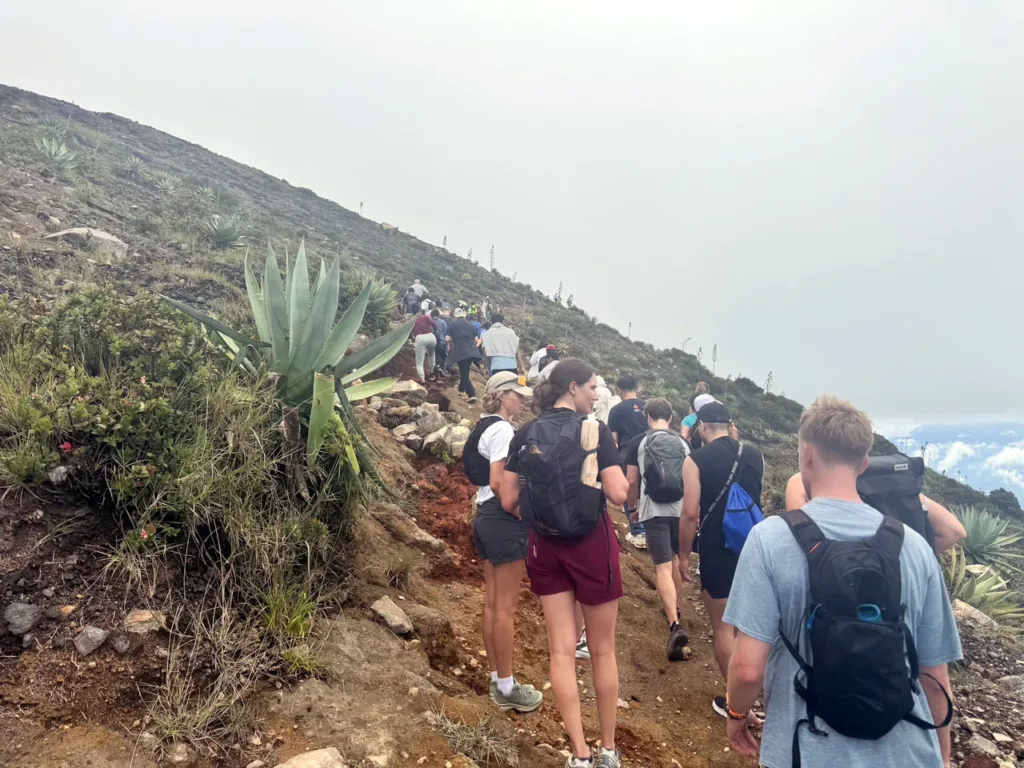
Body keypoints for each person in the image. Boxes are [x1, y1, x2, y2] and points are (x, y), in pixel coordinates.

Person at [722, 396, 960, 767]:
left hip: (807, 749)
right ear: (863, 464)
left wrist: (736, 715)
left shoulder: (769, 540)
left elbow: (749, 667)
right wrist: (942, 757)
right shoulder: (914, 547)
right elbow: (935, 675)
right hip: (908, 754)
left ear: (806, 454)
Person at [500, 359, 630, 768]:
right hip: (592, 545)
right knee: (602, 650)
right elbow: (619, 494)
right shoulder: (595, 430)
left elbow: (508, 499)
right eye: (592, 387)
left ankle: (580, 754)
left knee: (561, 650)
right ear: (572, 387)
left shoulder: (525, 433)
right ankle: (608, 750)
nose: (596, 394)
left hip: (545, 547)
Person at [678, 400, 764, 717]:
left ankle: (737, 705)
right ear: (730, 426)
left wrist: (683, 555)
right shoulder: (754, 455)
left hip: (717, 547)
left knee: (724, 629)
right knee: (749, 630)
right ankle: (755, 696)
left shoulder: (695, 460)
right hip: (753, 547)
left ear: (702, 427)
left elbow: (689, 514)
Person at [464, 373, 544, 713]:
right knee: (505, 607)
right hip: (503, 518)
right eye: (517, 394)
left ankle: (497, 679)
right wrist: (523, 513)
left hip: (486, 515)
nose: (523, 400)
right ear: (500, 395)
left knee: (494, 603)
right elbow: (499, 483)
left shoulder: (485, 425)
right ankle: (507, 687)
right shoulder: (503, 431)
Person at [623, 398, 691, 660]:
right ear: (671, 418)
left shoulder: (638, 442)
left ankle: (674, 624)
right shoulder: (683, 443)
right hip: (680, 510)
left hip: (654, 510)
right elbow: (691, 480)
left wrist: (632, 506)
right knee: (674, 561)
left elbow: (631, 480)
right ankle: (676, 608)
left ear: (648, 417)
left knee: (662, 567)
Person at [784, 472, 966, 554]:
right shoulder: (892, 487)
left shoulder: (800, 481)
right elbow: (954, 531)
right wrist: (908, 559)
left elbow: (797, 542)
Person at [608, 375, 649, 550]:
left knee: (629, 488)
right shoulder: (647, 406)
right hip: (648, 450)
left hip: (627, 452)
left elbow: (614, 439)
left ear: (620, 391)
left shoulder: (616, 410)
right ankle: (650, 530)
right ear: (637, 388)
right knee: (646, 490)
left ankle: (638, 531)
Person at [446, 308, 482, 403]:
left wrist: (454, 339)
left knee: (464, 372)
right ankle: (461, 389)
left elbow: (447, 339)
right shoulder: (471, 325)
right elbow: (476, 340)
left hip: (460, 351)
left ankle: (472, 394)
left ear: (455, 316)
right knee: (465, 371)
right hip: (472, 351)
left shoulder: (452, 325)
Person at [410, 308, 438, 384]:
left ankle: (422, 379)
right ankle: (432, 373)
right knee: (431, 354)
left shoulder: (412, 320)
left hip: (420, 337)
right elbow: (434, 324)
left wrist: (412, 339)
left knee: (419, 361)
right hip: (431, 336)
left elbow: (410, 332)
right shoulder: (425, 317)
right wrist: (434, 331)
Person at [431, 308, 448, 377]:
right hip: (442, 341)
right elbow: (445, 332)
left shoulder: (430, 321)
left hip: (432, 341)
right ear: (438, 315)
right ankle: (441, 368)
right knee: (444, 355)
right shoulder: (443, 322)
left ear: (431, 315)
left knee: (435, 356)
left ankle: (435, 369)